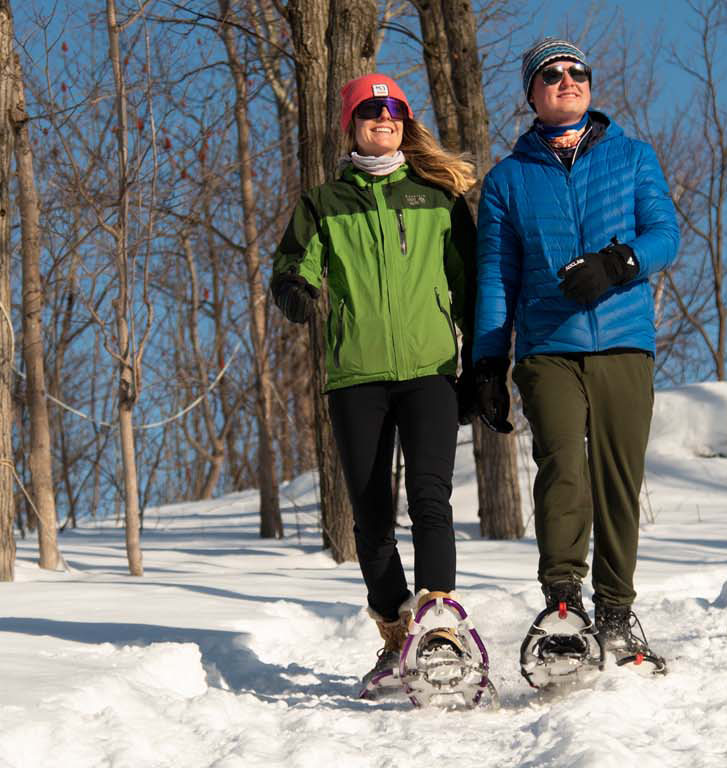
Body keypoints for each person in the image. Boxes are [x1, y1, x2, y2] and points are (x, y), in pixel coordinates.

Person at [472, 39, 680, 672]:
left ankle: (616, 614)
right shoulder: (508, 179)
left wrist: (619, 263)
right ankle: (564, 609)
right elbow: (494, 278)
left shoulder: (633, 156)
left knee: (620, 478)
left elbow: (665, 233)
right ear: (531, 94)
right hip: (547, 349)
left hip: (623, 343)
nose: (567, 80)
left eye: (577, 72)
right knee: (563, 465)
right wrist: (486, 364)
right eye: (551, 75)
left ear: (589, 85)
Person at [269, 74, 479, 694]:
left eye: (392, 110)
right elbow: (290, 266)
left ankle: (439, 628)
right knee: (369, 514)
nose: (382, 117)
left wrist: (483, 364)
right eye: (369, 109)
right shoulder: (323, 203)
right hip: (355, 375)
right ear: (351, 123)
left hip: (429, 371)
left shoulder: (437, 197)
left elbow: (468, 284)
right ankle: (395, 632)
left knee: (431, 499)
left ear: (404, 122)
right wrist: (294, 291)